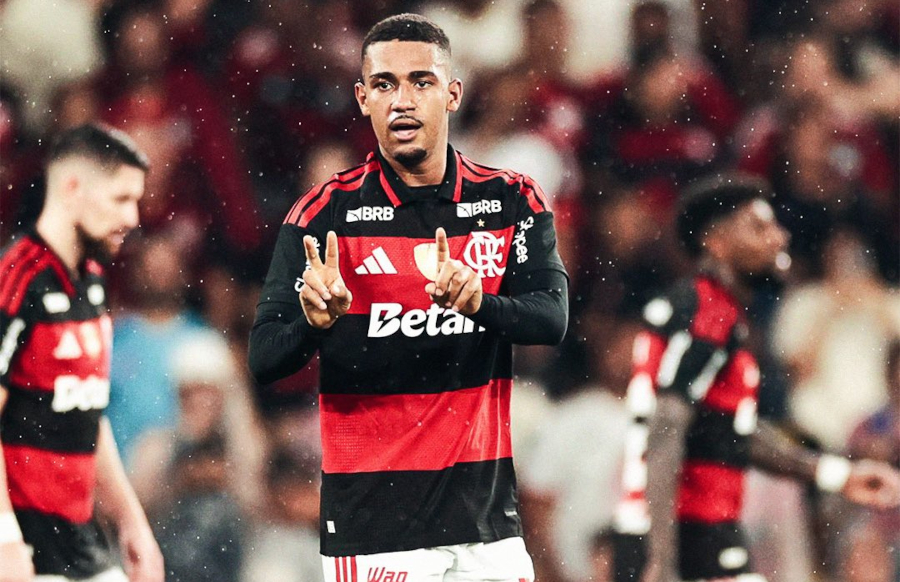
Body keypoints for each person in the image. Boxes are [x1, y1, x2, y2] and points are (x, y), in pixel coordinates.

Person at [249, 13, 568, 582]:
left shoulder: (512, 199)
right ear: (362, 99)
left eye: (421, 82)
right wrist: (313, 322)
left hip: (486, 526)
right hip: (374, 528)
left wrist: (479, 304)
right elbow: (265, 357)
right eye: (384, 84)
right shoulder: (323, 214)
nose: (402, 100)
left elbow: (551, 318)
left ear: (453, 94)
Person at [610, 173, 900, 582]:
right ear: (717, 243)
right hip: (685, 540)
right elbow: (665, 426)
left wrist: (837, 475)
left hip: (702, 536)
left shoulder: (713, 312)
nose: (780, 238)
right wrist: (662, 561)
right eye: (759, 227)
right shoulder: (706, 312)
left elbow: (729, 431)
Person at [0, 124, 163, 582]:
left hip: (81, 537)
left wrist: (131, 521)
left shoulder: (92, 280)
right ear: (72, 188)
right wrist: (5, 537)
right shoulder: (16, 280)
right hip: (26, 538)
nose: (133, 217)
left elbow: (88, 412)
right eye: (120, 199)